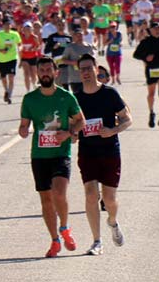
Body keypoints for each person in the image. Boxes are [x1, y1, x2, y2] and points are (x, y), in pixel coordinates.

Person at [18, 58, 85, 258]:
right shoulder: (30, 99)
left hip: (60, 153)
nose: (45, 73)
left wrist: (69, 132)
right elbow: (24, 124)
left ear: (56, 73)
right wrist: (23, 130)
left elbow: (81, 121)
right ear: (38, 74)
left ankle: (65, 227)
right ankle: (55, 240)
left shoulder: (66, 97)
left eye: (49, 69)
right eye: (42, 70)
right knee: (46, 200)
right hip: (39, 155)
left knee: (58, 192)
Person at [72, 55, 130, 256]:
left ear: (97, 69)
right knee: (90, 195)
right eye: (82, 69)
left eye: (89, 68)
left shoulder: (109, 94)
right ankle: (97, 241)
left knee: (109, 198)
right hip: (87, 152)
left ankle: (112, 222)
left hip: (109, 152)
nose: (86, 72)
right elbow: (72, 126)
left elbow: (127, 119)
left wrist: (112, 130)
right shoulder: (77, 98)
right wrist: (72, 134)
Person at [132, 21, 159, 129]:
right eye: (155, 28)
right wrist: (145, 57)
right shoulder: (146, 41)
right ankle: (151, 113)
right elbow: (136, 55)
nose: (157, 30)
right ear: (150, 30)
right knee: (151, 94)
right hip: (151, 70)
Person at [0, 18, 22, 104]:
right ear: (3, 26)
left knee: (11, 77)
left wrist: (19, 49)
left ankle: (9, 95)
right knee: (4, 78)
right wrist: (1, 51)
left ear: (11, 25)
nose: (7, 26)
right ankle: (6, 90)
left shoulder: (15, 34)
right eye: (5, 25)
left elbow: (20, 44)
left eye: (9, 24)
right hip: (2, 60)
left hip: (12, 58)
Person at [20, 22, 42, 91]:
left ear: (31, 29)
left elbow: (38, 46)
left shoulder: (34, 37)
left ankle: (34, 85)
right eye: (26, 29)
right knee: (26, 74)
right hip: (24, 57)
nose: (27, 31)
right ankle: (28, 90)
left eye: (29, 29)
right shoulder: (21, 36)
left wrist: (33, 49)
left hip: (33, 57)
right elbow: (19, 46)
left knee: (33, 74)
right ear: (23, 30)